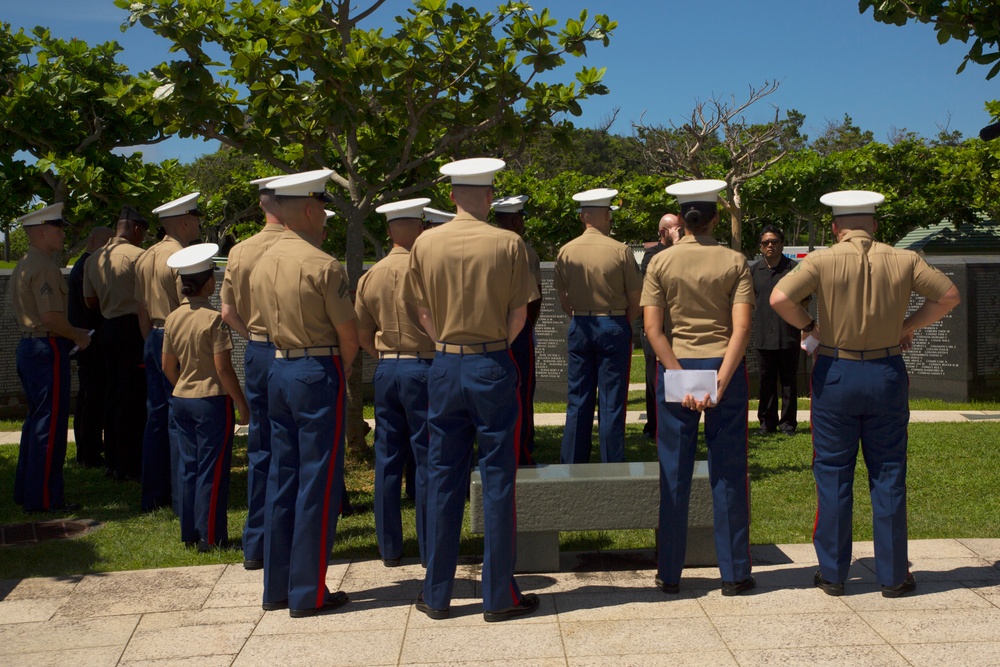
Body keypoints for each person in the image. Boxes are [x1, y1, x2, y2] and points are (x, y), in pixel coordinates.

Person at [770, 190, 960, 598]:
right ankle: (893, 576)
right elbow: (948, 296)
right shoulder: (903, 258)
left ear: (837, 227)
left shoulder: (821, 259)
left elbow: (779, 298)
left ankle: (834, 574)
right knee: (889, 472)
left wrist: (810, 326)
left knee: (834, 474)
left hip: (837, 372)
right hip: (886, 370)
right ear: (874, 225)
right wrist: (906, 325)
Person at [403, 157, 540, 622]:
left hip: (444, 363)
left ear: (450, 196)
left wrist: (445, 342)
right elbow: (520, 315)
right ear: (487, 196)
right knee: (499, 480)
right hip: (491, 361)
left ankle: (436, 593)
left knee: (443, 478)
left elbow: (421, 311)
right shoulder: (509, 243)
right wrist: (492, 344)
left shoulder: (425, 244)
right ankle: (499, 594)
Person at [249, 169, 359, 618]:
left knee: (282, 478)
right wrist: (343, 368)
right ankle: (309, 591)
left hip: (278, 370)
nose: (326, 222)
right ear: (311, 209)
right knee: (318, 482)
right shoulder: (323, 264)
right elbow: (347, 335)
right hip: (316, 369)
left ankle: (277, 588)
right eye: (324, 213)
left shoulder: (262, 261)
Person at [642, 179, 756, 596]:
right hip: (724, 366)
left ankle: (669, 572)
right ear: (712, 219)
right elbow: (741, 328)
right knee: (728, 472)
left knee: (673, 473)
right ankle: (735, 572)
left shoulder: (660, 263)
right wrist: (721, 380)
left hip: (677, 367)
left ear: (685, 221)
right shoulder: (734, 260)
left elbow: (653, 330)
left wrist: (677, 376)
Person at [355, 197, 434, 568]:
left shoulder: (371, 274)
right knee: (427, 456)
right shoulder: (428, 270)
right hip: (424, 366)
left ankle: (389, 547)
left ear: (388, 231)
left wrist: (382, 355)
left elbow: (362, 331)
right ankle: (429, 541)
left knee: (387, 459)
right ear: (419, 228)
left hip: (387, 368)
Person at [163, 243, 249, 550]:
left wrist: (184, 384)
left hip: (182, 398)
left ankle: (190, 534)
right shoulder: (214, 319)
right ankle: (211, 537)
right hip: (211, 400)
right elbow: (223, 369)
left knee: (189, 467)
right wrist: (241, 403)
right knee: (212, 470)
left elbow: (167, 366)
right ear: (210, 283)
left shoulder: (173, 318)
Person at [9, 202, 91, 512]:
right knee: (49, 425)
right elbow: (51, 317)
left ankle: (27, 491)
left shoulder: (27, 262)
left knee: (36, 421)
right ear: (42, 232)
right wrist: (78, 336)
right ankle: (44, 499)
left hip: (32, 347)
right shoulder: (43, 265)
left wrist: (69, 330)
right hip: (46, 349)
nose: (62, 234)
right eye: (58, 229)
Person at [220, 175, 284, 569]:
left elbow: (227, 311)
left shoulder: (240, 251)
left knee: (262, 448)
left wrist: (256, 337)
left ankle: (256, 543)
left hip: (259, 351)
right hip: (297, 353)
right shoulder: (302, 246)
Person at [555, 188, 642, 464]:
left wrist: (582, 314)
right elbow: (635, 298)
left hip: (580, 323)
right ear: (605, 215)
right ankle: (612, 464)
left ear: (583, 217)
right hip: (613, 322)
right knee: (611, 402)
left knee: (578, 400)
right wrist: (621, 323)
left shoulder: (565, 251)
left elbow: (564, 300)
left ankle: (572, 464)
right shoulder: (621, 250)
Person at [135, 192, 202, 513]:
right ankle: (180, 495)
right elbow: (187, 307)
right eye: (197, 218)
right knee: (180, 418)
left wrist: (152, 342)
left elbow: (140, 309)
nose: (199, 224)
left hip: (154, 338)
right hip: (176, 339)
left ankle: (153, 494)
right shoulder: (181, 257)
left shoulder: (146, 255)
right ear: (185, 221)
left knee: (156, 418)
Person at [83, 207, 149, 486]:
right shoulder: (140, 256)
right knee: (133, 398)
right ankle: (130, 463)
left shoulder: (94, 258)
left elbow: (90, 302)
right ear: (136, 230)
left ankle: (112, 461)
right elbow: (149, 300)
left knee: (112, 394)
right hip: (132, 329)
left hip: (107, 328)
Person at [493, 194, 542, 465]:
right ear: (514, 219)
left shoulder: (484, 244)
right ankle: (522, 447)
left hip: (487, 330)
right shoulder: (522, 248)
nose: (522, 223)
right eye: (521, 217)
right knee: (521, 390)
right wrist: (526, 328)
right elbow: (533, 298)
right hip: (518, 330)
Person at [750, 225, 802, 436]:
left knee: (789, 383)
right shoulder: (754, 271)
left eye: (774, 242)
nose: (770, 246)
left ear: (782, 244)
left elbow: (805, 299)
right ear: (761, 247)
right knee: (766, 383)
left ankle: (788, 424)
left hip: (788, 335)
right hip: (763, 335)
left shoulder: (794, 269)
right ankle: (766, 423)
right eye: (765, 243)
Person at [68, 225, 113, 468]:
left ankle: (87, 447)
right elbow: (91, 306)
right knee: (92, 398)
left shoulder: (82, 265)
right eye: (106, 242)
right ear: (93, 240)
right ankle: (89, 451)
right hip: (90, 341)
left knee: (89, 397)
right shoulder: (87, 266)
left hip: (88, 341)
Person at [640, 213, 682, 440]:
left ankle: (674, 422)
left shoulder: (683, 251)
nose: (680, 231)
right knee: (654, 379)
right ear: (663, 232)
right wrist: (677, 246)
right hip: (656, 327)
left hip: (677, 326)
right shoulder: (651, 255)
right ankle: (654, 425)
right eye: (675, 228)